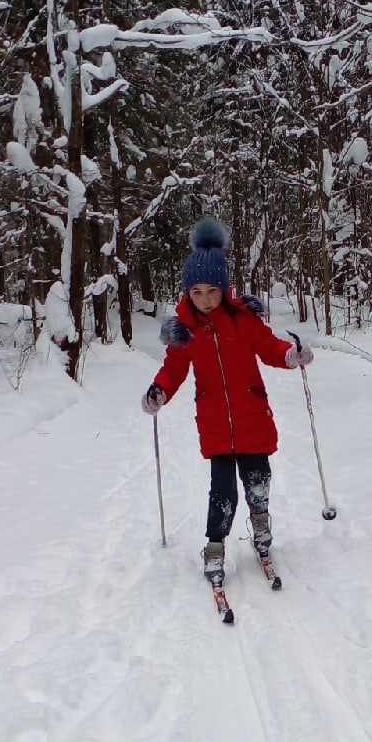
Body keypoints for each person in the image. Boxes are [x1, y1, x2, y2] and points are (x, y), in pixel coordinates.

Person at [142, 217, 313, 587]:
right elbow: (173, 370)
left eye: (211, 291)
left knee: (258, 479)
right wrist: (159, 391)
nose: (204, 299)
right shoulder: (184, 332)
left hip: (252, 415)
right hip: (216, 423)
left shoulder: (242, 319)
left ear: (224, 288)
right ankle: (215, 545)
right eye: (197, 292)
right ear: (188, 292)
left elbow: (269, 346)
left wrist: (290, 355)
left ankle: (262, 530)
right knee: (223, 492)